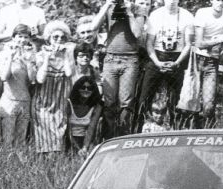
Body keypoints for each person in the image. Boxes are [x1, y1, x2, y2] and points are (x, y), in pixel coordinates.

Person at [91, 0, 147, 138]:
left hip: (130, 59)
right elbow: (93, 26)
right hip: (110, 58)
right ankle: (108, 137)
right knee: (109, 102)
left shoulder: (137, 8)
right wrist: (106, 5)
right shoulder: (109, 7)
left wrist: (129, 12)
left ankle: (123, 136)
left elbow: (138, 34)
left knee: (126, 103)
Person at [138, 0, 194, 127]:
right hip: (157, 56)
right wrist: (157, 62)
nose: (172, 1)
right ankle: (139, 127)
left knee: (177, 100)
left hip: (178, 58)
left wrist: (177, 62)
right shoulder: (155, 15)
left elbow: (188, 44)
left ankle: (176, 129)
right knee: (144, 97)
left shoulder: (187, 16)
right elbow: (149, 43)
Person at [194, 0, 223, 126]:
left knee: (209, 105)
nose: (221, 3)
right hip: (195, 61)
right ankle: (188, 128)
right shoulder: (202, 13)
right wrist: (220, 39)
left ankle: (206, 130)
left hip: (211, 62)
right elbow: (199, 43)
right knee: (190, 102)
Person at [32, 21, 74, 153]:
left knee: (58, 138)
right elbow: (40, 79)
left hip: (60, 102)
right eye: (55, 37)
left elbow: (69, 73)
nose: (59, 40)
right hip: (43, 102)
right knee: (44, 139)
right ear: (48, 38)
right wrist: (47, 59)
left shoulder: (68, 55)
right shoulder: (40, 55)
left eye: (63, 37)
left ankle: (56, 162)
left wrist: (64, 56)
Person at [0, 24, 37, 147]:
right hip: (9, 101)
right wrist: (10, 57)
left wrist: (29, 62)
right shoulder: (4, 54)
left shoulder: (31, 55)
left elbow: (33, 80)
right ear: (13, 37)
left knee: (21, 140)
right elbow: (4, 77)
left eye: (26, 37)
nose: (23, 40)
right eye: (20, 36)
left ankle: (19, 160)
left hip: (25, 101)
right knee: (7, 140)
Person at [67, 76, 102, 154]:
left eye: (90, 88)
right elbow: (67, 130)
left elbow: (91, 128)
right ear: (77, 88)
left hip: (85, 140)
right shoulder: (69, 103)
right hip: (68, 139)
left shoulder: (96, 106)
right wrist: (77, 148)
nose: (86, 90)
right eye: (83, 87)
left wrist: (85, 147)